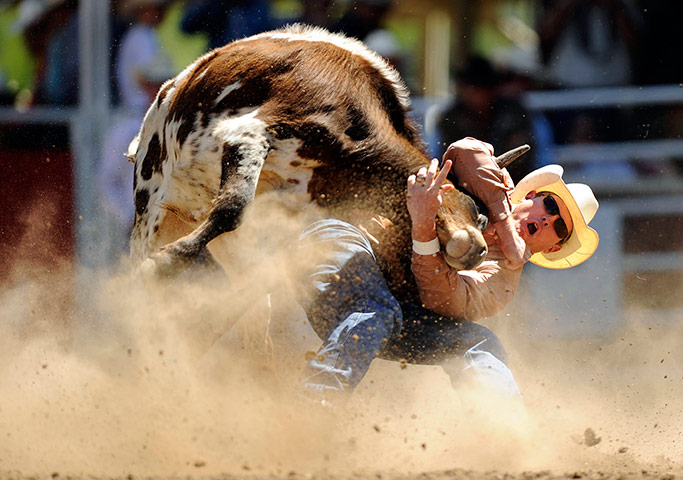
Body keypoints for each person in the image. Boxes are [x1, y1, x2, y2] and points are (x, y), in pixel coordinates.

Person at [294, 137, 599, 404]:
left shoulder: (501, 281)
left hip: (394, 309)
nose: (547, 219)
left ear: (553, 247)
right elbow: (464, 150)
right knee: (380, 308)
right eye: (550, 205)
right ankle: (315, 404)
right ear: (532, 196)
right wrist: (505, 226)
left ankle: (508, 439)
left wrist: (425, 225)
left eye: (558, 226)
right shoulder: (498, 187)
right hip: (348, 244)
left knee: (478, 341)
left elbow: (442, 300)